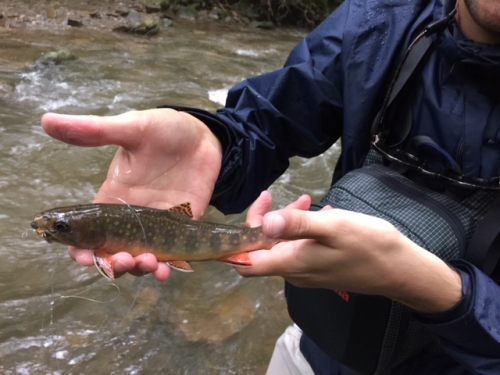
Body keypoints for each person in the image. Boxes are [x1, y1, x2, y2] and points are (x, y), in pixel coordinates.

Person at [41, 0, 500, 373]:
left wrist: (440, 293)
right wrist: (216, 142)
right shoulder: (379, 23)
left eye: (60, 226)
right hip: (318, 341)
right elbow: (265, 122)